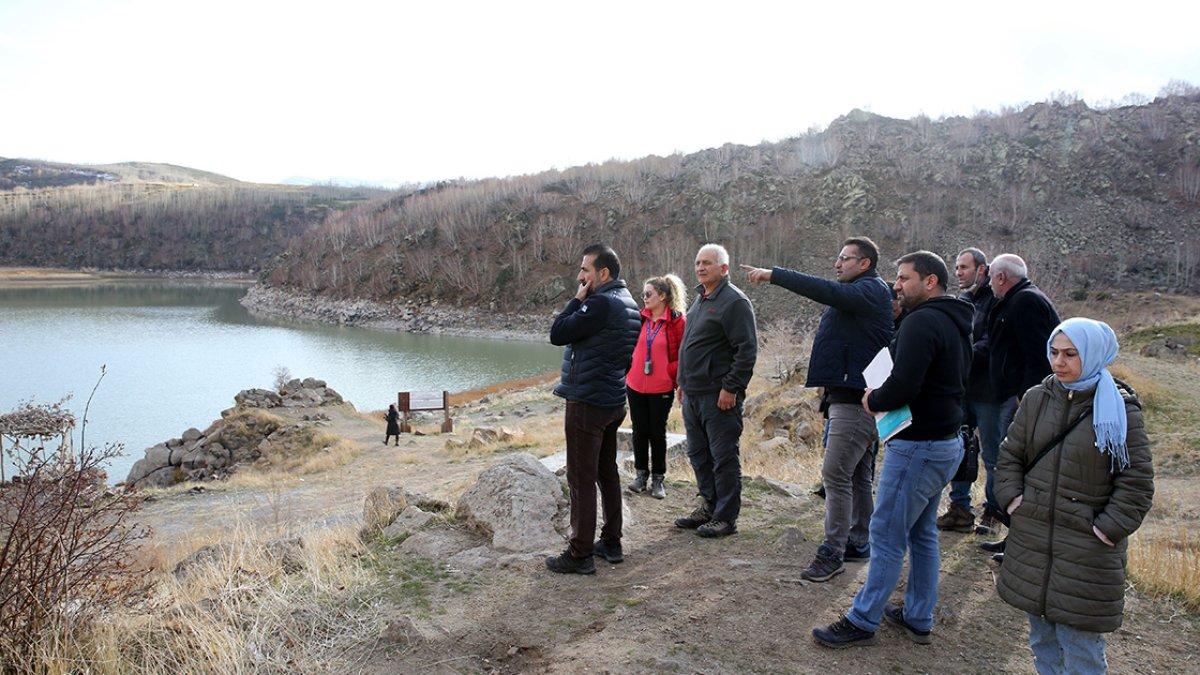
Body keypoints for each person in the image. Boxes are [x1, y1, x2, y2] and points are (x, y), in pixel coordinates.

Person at [813, 250, 972, 649]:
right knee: (921, 533)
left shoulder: (921, 323)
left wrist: (873, 399)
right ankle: (919, 614)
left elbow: (903, 385)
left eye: (904, 279)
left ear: (930, 281)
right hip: (945, 441)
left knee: (885, 535)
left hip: (917, 445)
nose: (896, 286)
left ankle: (862, 619)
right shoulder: (957, 320)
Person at [994, 318, 1153, 674]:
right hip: (1033, 541)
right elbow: (1010, 456)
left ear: (1094, 355)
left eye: (1070, 354)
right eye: (1054, 352)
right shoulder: (1036, 399)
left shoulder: (1120, 411)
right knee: (1042, 641)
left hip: (1086, 551)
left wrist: (1106, 529)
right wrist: (1013, 501)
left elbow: (1137, 481)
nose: (1059, 362)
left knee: (1081, 649)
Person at [742, 236, 892, 581]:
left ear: (865, 263)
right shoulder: (862, 294)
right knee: (856, 476)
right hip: (849, 398)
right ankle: (857, 540)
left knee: (835, 475)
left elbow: (827, 291)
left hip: (856, 403)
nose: (837, 264)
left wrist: (773, 275)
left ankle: (832, 552)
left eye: (845, 258)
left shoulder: (871, 290)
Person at [545, 244, 642, 574]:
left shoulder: (600, 303)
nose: (580, 276)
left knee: (580, 478)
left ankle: (579, 553)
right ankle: (612, 542)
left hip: (587, 401)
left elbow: (558, 333)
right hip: (614, 399)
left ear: (603, 273)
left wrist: (577, 300)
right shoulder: (629, 303)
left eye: (585, 270)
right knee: (606, 472)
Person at [673, 244, 758, 538]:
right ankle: (708, 506)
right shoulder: (700, 299)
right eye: (697, 262)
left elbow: (746, 350)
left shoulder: (734, 301)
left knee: (723, 457)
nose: (700, 267)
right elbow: (690, 346)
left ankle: (725, 517)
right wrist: (682, 382)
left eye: (707, 263)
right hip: (694, 393)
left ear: (724, 269)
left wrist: (731, 387)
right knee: (699, 454)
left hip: (718, 395)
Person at [981, 253, 1061, 561]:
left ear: (1001, 277)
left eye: (991, 278)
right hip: (1008, 396)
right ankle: (1014, 539)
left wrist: (1024, 398)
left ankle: (1023, 544)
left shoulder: (1026, 302)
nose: (989, 283)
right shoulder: (1015, 300)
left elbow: (1039, 357)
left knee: (1018, 469)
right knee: (1011, 468)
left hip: (1019, 400)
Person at [937, 248, 999, 534]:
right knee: (960, 448)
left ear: (982, 270)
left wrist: (961, 355)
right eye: (957, 267)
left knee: (992, 452)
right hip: (961, 388)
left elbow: (991, 343)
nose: (958, 272)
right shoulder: (962, 300)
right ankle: (960, 508)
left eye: (964, 267)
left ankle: (993, 511)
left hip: (988, 390)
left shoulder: (997, 300)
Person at [625, 274, 687, 499]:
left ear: (662, 296)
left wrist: (676, 378)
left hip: (661, 388)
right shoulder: (640, 318)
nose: (644, 298)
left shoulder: (678, 321)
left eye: (648, 294)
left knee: (657, 433)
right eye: (643, 294)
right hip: (635, 385)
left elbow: (683, 353)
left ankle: (658, 479)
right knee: (639, 430)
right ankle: (641, 475)